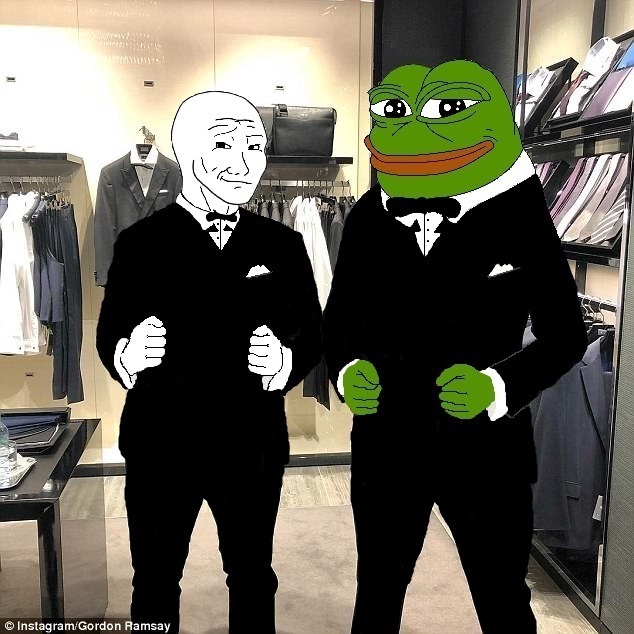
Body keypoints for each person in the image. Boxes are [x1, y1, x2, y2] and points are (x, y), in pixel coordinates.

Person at [322, 61, 588, 633]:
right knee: (377, 595)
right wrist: (347, 370)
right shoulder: (367, 214)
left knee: (503, 600)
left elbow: (567, 332)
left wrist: (498, 386)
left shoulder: (520, 214)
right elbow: (339, 319)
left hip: (487, 450)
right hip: (387, 443)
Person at [96, 90, 322, 633]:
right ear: (185, 148)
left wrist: (286, 360)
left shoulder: (283, 244)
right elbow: (109, 330)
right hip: (161, 441)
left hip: (251, 442)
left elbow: (313, 331)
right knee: (154, 577)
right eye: (224, 144)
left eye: (255, 146)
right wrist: (127, 353)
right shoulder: (139, 242)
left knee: (252, 575)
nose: (244, 161)